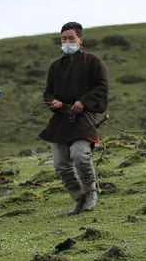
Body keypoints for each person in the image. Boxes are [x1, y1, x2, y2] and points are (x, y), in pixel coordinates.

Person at [40, 22, 109, 215]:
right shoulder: (55, 66)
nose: (67, 42)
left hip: (83, 119)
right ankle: (79, 199)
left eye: (71, 38)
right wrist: (53, 101)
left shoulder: (93, 62)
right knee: (61, 164)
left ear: (80, 40)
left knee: (80, 156)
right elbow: (48, 93)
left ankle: (91, 194)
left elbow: (102, 87)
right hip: (60, 121)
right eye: (64, 39)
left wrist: (83, 101)